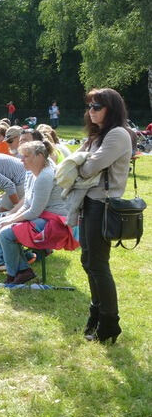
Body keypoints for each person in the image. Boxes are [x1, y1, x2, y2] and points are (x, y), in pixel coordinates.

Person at [74, 89, 134, 343]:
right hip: (88, 202)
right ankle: (96, 315)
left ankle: (110, 323)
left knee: (98, 264)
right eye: (89, 106)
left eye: (97, 106)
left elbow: (88, 167)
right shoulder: (97, 135)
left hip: (104, 205)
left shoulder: (118, 134)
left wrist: (79, 162)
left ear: (112, 108)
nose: (92, 111)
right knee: (88, 261)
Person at [0, 140, 68, 283]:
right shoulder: (31, 173)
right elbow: (27, 204)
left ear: (40, 156)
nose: (21, 159)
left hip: (54, 222)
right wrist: (8, 217)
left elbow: (34, 211)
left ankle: (15, 273)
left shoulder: (45, 176)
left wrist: (9, 221)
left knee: (5, 232)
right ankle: (21, 269)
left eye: (26, 156)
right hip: (41, 216)